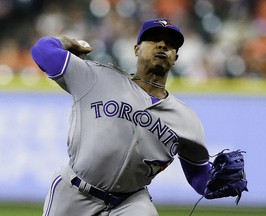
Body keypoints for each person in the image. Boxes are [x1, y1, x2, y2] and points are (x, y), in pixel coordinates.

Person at [31, 18, 243, 216]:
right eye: (153, 40)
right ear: (136, 49)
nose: (162, 45)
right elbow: (42, 51)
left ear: (175, 58)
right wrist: (69, 42)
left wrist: (212, 183)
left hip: (130, 202)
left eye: (170, 44)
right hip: (74, 190)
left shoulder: (186, 119)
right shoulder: (96, 77)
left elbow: (198, 173)